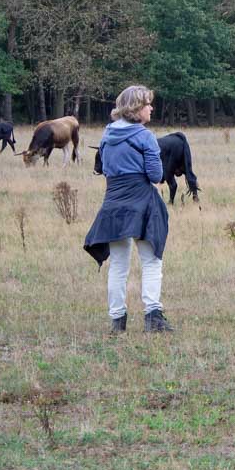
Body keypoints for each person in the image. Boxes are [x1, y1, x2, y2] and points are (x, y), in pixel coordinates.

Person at [84, 85, 172, 333]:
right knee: (151, 261)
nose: (151, 108)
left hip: (113, 203)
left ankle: (117, 321)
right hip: (141, 202)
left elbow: (104, 168)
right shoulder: (145, 136)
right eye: (147, 104)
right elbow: (156, 175)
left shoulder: (107, 135)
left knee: (119, 265)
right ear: (136, 108)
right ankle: (153, 318)